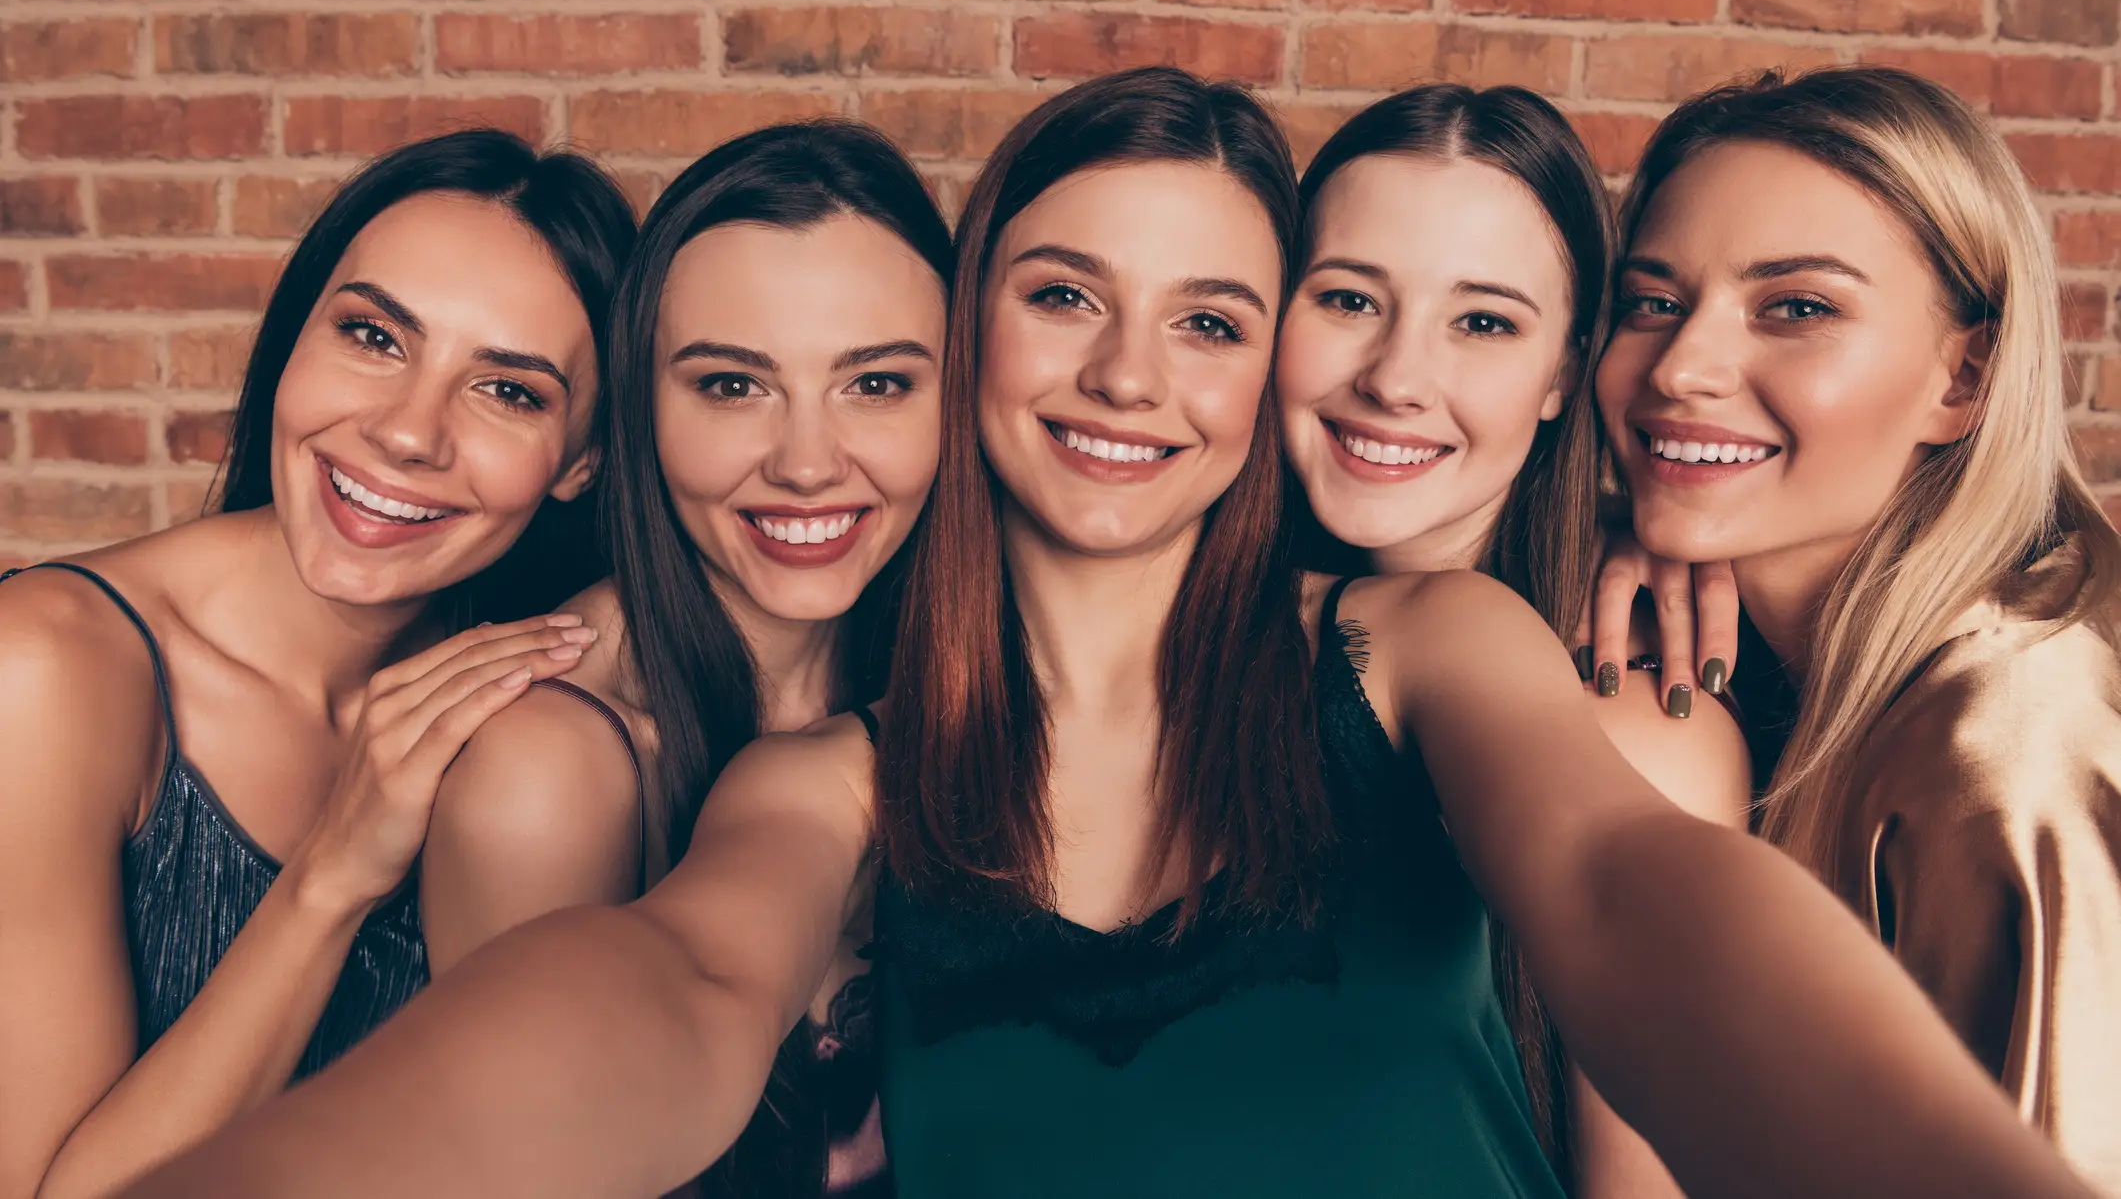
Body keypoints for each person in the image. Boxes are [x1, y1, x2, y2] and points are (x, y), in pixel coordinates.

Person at [118, 72, 2096, 1199]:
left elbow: (1620, 884)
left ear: (1261, 378)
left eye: (1214, 319)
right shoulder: (830, 777)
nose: (1129, 373)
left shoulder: (1418, 649)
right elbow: (672, 982)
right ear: (970, 332)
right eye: (1064, 295)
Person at [0, 130, 636, 1199]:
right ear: (294, 336)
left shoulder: (524, 710)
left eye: (510, 392)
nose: (406, 432)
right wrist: (335, 875)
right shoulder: (47, 673)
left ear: (583, 461)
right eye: (375, 336)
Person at [1587, 66, 2121, 1192]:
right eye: (1651, 301)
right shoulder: (1786, 663)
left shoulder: (2005, 743)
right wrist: (1604, 538)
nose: (1680, 367)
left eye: (1797, 308)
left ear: (1962, 376)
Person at [431, 120, 952, 1197]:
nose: (808, 463)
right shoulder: (549, 762)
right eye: (731, 385)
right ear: (638, 412)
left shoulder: (959, 682)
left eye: (878, 384)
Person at [1276, 84, 1746, 1197]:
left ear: (1564, 376)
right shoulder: (1197, 656)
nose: (1395, 378)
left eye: (1483, 322)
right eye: (1347, 298)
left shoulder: (1639, 725)